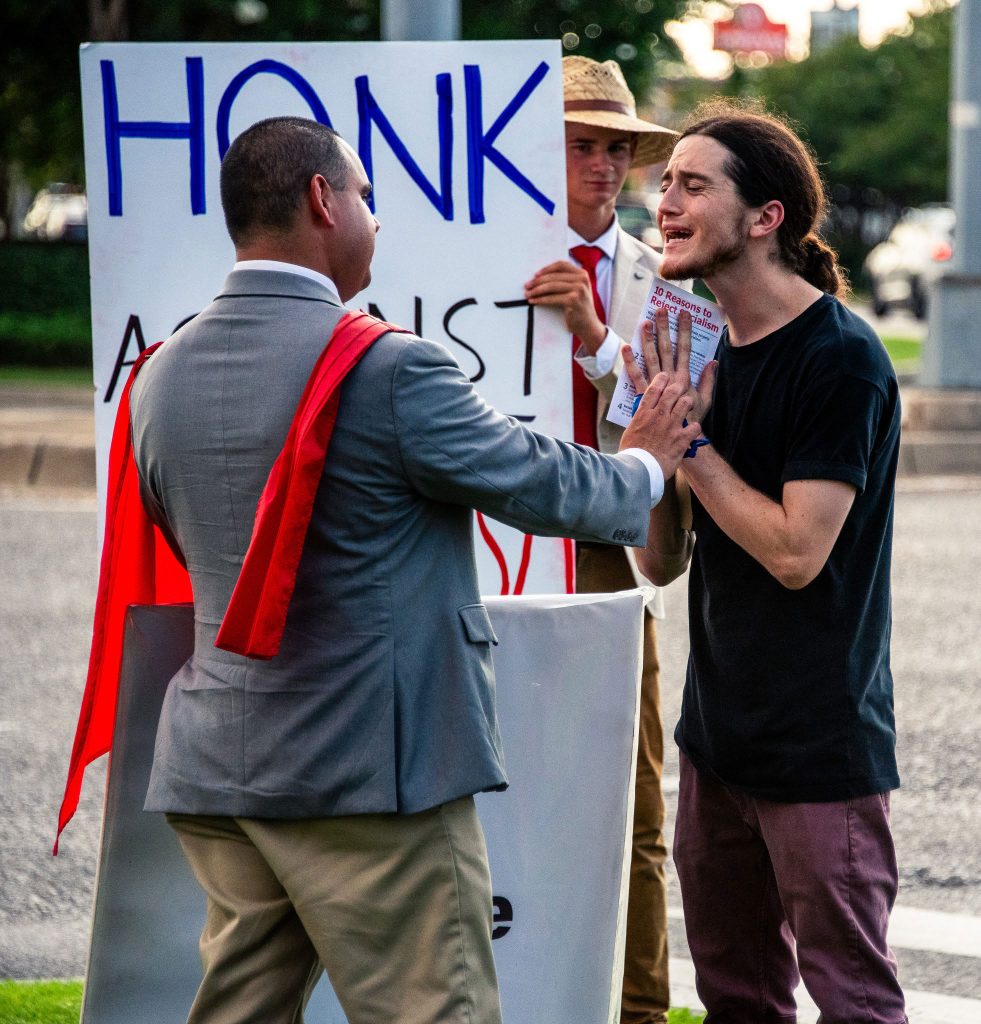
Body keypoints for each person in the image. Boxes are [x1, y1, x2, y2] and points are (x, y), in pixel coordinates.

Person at [128, 116, 703, 1024]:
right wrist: (642, 462)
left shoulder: (160, 370)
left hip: (220, 764)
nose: (377, 219)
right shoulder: (387, 366)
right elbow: (541, 485)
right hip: (365, 775)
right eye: (364, 196)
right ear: (322, 201)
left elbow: (178, 525)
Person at [630, 99, 907, 1023]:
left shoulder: (841, 359)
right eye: (664, 183)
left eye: (691, 184)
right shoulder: (698, 350)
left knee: (853, 1001)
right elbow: (661, 563)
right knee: (735, 998)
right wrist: (647, 459)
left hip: (818, 751)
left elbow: (796, 553)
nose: (663, 201)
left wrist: (694, 450)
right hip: (717, 744)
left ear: (765, 218)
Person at [523, 55, 679, 1024]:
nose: (605, 163)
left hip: (611, 549)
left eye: (618, 145)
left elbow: (673, 406)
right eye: (585, 142)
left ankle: (640, 1006)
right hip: (496, 543)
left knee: (636, 795)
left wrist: (591, 338)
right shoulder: (475, 258)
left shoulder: (661, 276)